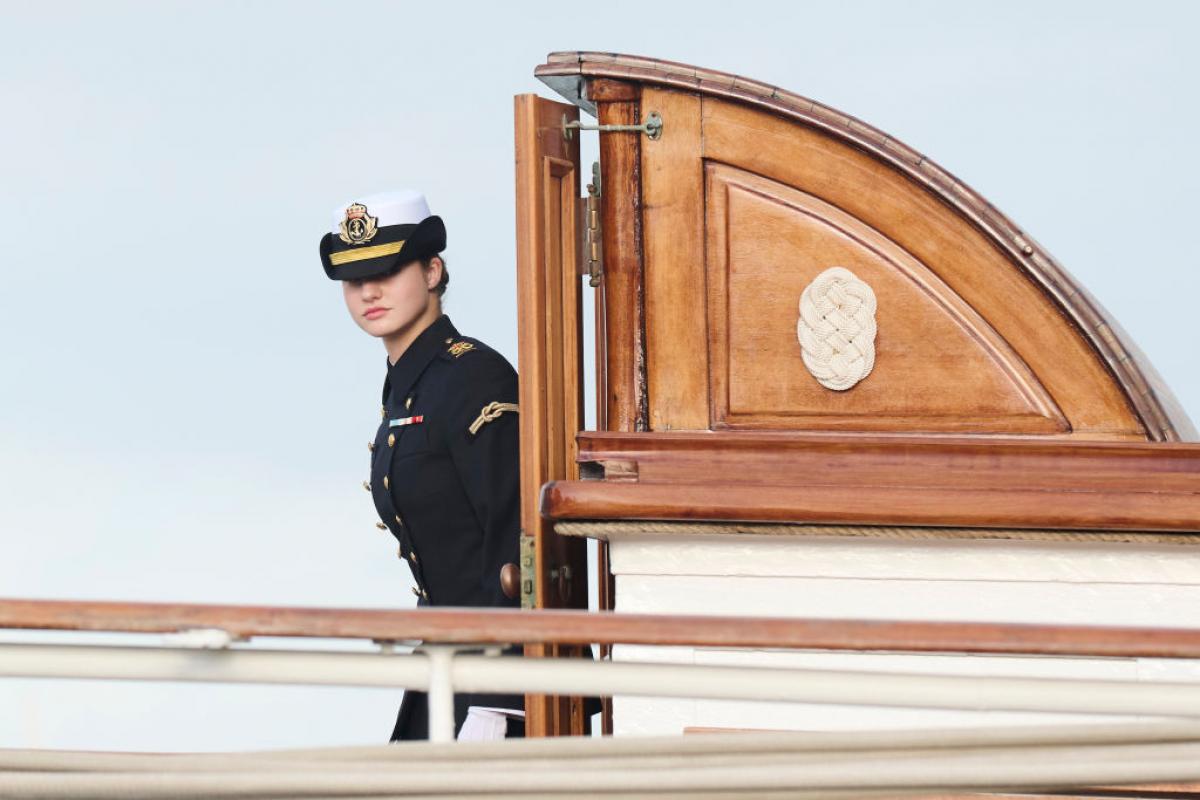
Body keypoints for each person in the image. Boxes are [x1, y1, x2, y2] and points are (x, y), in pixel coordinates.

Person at [319, 190, 525, 741]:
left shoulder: (472, 377)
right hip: (445, 664)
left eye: (387, 270)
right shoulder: (409, 386)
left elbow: (516, 543)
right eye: (353, 277)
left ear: (433, 270)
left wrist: (500, 703)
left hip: (496, 681)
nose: (369, 290)